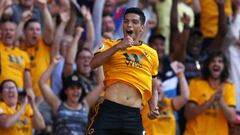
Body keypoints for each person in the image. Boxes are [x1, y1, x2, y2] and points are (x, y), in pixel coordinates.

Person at [87, 7, 159, 135]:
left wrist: (153, 105)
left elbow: (153, 85)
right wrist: (117, 47)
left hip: (133, 115)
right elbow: (93, 64)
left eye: (134, 22)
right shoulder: (110, 45)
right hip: (109, 110)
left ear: (142, 27)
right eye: (126, 21)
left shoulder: (152, 54)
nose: (129, 24)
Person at [39, 55, 104, 135]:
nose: (75, 91)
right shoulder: (57, 105)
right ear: (66, 91)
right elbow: (42, 83)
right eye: (72, 88)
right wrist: (53, 64)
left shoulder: (85, 104)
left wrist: (99, 64)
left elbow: (102, 84)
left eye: (78, 88)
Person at [184, 51, 237, 135]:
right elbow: (188, 114)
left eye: (220, 61)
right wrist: (210, 102)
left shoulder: (229, 86)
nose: (216, 64)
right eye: (213, 61)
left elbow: (232, 118)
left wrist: (220, 100)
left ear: (224, 66)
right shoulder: (196, 83)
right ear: (208, 65)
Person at [142, 61, 189, 135]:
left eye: (160, 85)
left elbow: (185, 97)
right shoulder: (143, 104)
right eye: (154, 86)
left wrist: (181, 74)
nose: (158, 88)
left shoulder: (168, 103)